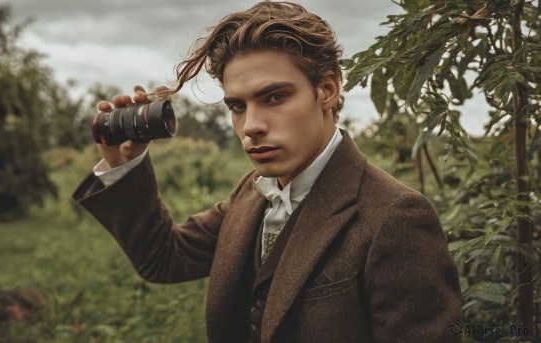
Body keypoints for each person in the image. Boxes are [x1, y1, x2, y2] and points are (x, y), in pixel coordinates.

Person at [73, 1, 462, 342]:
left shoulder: (396, 217)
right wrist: (122, 164)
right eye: (237, 106)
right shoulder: (253, 191)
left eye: (274, 97)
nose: (251, 126)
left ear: (326, 89)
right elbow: (165, 258)